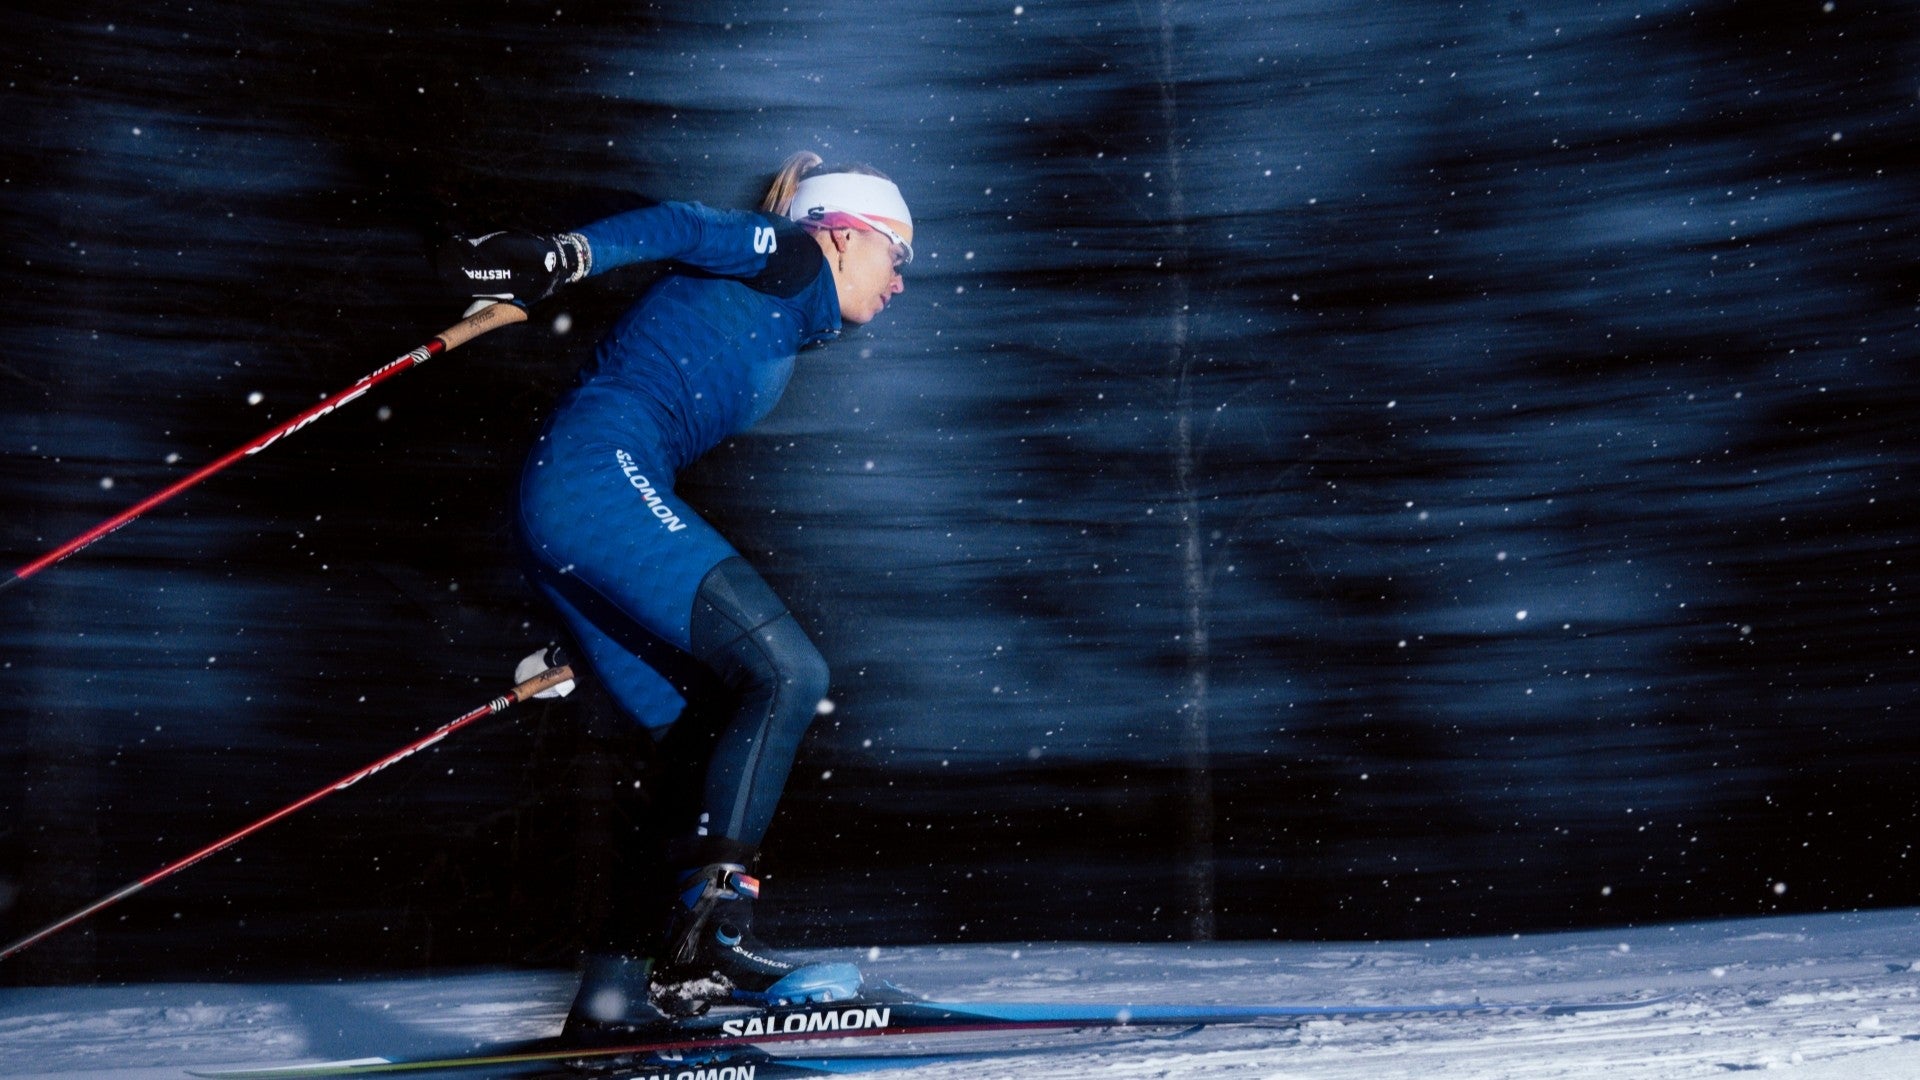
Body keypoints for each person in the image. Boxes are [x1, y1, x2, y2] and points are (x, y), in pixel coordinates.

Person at [438, 152, 912, 1028]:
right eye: (898, 252)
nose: (901, 280)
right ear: (844, 235)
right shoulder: (789, 255)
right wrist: (564, 255)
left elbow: (663, 268)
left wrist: (609, 610)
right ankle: (710, 937)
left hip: (574, 506)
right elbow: (685, 224)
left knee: (699, 740)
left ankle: (614, 994)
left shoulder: (782, 310)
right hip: (595, 482)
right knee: (789, 674)